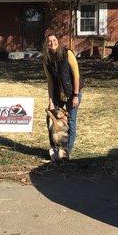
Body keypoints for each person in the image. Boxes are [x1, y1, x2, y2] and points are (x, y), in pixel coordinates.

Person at [42, 30, 83, 161]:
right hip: (57, 94)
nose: (52, 43)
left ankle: (66, 153)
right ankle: (55, 149)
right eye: (49, 42)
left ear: (58, 41)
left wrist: (76, 95)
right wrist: (51, 101)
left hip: (72, 92)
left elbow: (76, 75)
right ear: (46, 44)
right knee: (51, 120)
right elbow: (49, 81)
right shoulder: (46, 59)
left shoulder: (67, 53)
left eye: (54, 41)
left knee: (70, 121)